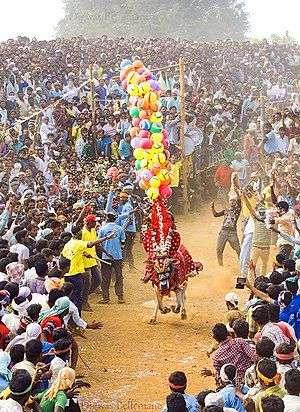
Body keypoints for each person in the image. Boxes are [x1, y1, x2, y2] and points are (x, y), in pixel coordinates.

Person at [61, 224, 116, 312]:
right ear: (78, 234)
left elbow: (63, 255)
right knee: (78, 293)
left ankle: (81, 302)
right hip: (76, 272)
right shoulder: (78, 243)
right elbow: (91, 244)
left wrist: (84, 253)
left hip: (70, 272)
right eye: (80, 233)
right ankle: (81, 307)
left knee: (94, 282)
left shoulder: (69, 244)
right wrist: (107, 237)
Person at [98, 212, 125, 304]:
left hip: (106, 256)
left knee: (105, 277)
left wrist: (106, 252)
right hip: (118, 257)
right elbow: (123, 242)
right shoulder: (120, 229)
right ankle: (120, 297)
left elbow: (99, 243)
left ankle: (106, 298)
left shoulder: (102, 229)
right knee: (119, 276)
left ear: (107, 219)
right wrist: (119, 250)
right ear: (115, 219)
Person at [211, 192, 241, 266]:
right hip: (223, 231)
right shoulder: (225, 210)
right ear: (229, 202)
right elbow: (215, 215)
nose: (232, 202)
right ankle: (220, 266)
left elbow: (239, 201)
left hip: (232, 233)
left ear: (236, 202)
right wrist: (212, 207)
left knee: (239, 250)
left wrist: (237, 192)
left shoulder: (237, 209)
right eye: (231, 201)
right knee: (219, 250)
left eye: (234, 201)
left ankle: (242, 264)